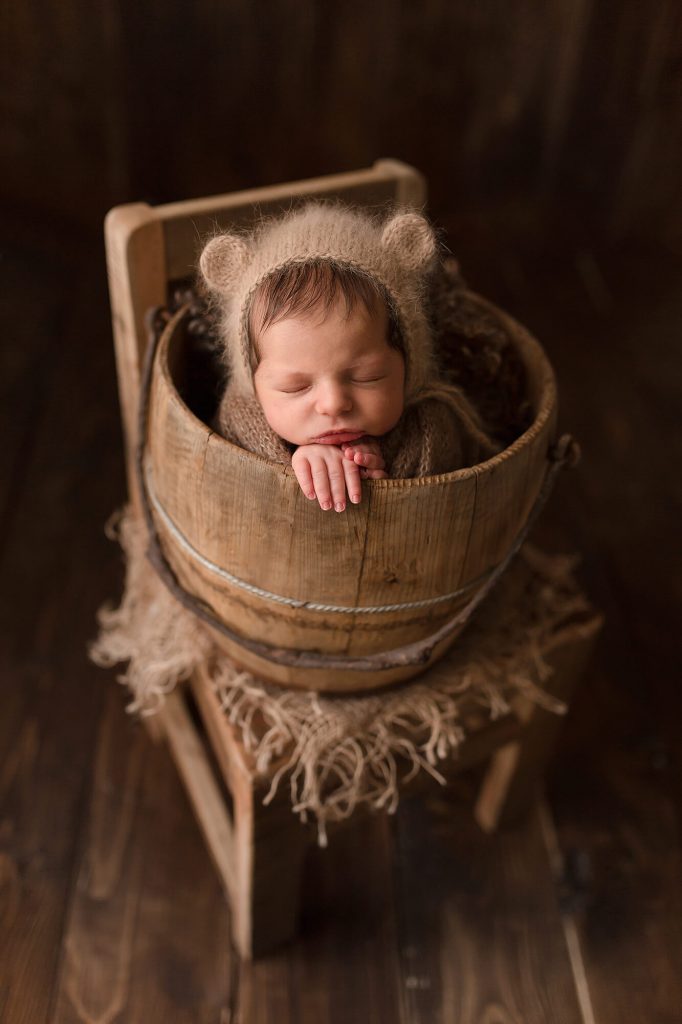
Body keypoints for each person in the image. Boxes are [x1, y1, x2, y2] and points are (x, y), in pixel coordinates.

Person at [199, 202, 497, 511]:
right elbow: (222, 460)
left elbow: (457, 461)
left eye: (367, 377)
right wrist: (293, 460)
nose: (333, 403)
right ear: (254, 384)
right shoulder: (241, 416)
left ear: (409, 365)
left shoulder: (433, 424)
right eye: (295, 387)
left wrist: (383, 462)